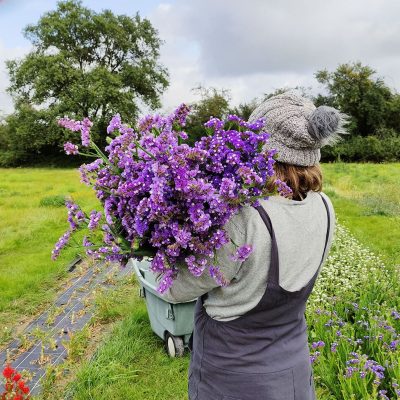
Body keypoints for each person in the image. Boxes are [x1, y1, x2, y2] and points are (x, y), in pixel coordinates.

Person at [157, 91, 347, 400]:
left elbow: (175, 289)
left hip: (233, 380)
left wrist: (169, 244)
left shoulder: (244, 217)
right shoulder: (325, 206)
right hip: (293, 374)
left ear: (259, 147)